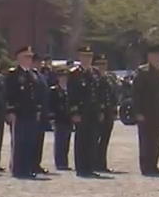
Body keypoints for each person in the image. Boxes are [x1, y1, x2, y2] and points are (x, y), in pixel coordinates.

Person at [4, 46, 43, 179]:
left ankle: (28, 168)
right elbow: (8, 94)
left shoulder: (33, 75)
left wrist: (38, 109)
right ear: (19, 58)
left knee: (30, 142)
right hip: (19, 113)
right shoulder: (13, 74)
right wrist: (10, 111)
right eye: (26, 57)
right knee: (19, 142)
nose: (29, 60)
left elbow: (36, 95)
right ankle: (18, 169)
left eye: (30, 57)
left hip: (31, 113)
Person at [132, 44, 159, 177]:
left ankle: (154, 165)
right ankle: (146, 167)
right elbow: (136, 93)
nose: (157, 58)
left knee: (156, 140)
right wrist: (138, 112)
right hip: (146, 111)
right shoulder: (143, 71)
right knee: (146, 141)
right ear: (149, 56)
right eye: (155, 55)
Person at [67, 47, 103, 178]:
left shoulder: (95, 73)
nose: (87, 59)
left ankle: (90, 166)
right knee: (81, 141)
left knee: (92, 140)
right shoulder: (75, 74)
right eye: (84, 56)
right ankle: (81, 168)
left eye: (89, 56)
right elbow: (71, 95)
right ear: (79, 57)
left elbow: (99, 93)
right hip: (81, 112)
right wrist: (74, 112)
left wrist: (100, 109)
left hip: (93, 112)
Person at [93, 54, 118, 173]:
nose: (102, 66)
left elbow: (113, 95)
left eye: (104, 64)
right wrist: (100, 111)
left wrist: (114, 110)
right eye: (99, 64)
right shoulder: (94, 77)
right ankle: (93, 162)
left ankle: (101, 163)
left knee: (105, 140)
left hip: (108, 113)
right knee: (95, 139)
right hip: (98, 113)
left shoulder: (109, 78)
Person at [50, 69, 72, 171]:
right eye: (61, 76)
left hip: (68, 119)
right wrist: (52, 118)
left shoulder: (69, 90)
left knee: (66, 142)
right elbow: (52, 105)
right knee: (59, 142)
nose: (63, 79)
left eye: (65, 77)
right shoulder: (54, 90)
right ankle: (59, 163)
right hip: (59, 119)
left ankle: (65, 162)